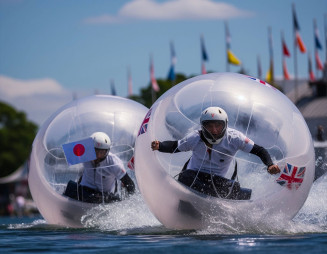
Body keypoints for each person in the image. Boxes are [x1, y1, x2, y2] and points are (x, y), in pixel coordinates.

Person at [151, 107, 280, 200]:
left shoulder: (234, 138)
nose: (214, 130)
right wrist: (159, 145)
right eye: (209, 126)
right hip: (194, 178)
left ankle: (228, 199)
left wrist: (270, 165)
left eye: (218, 125)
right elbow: (175, 146)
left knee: (234, 189)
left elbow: (259, 150)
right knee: (185, 176)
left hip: (218, 181)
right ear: (202, 126)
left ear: (225, 124)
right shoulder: (195, 137)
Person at [64, 132, 135, 203]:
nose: (97, 156)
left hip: (104, 196)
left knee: (99, 198)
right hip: (85, 191)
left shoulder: (114, 162)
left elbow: (130, 184)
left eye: (102, 153)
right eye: (95, 152)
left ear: (107, 151)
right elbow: (65, 155)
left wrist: (126, 203)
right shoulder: (84, 152)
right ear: (90, 149)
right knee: (69, 188)